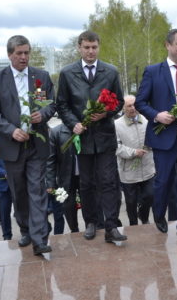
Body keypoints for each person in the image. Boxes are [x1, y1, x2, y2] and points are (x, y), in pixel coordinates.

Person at [0, 35, 56, 256]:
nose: (24, 57)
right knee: (19, 191)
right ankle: (26, 228)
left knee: (37, 189)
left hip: (37, 143)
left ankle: (40, 238)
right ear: (10, 55)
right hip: (11, 145)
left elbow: (50, 103)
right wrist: (10, 130)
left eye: (27, 53)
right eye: (19, 53)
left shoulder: (41, 76)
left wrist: (41, 115)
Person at [56, 30, 126, 244]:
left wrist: (106, 113)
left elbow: (120, 102)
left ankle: (112, 225)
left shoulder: (111, 71)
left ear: (98, 47)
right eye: (86, 47)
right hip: (82, 138)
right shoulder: (67, 73)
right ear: (79, 47)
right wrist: (73, 124)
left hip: (104, 136)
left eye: (94, 47)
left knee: (108, 182)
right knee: (86, 183)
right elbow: (62, 104)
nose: (90, 51)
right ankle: (91, 222)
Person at [135, 28, 177, 247]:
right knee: (163, 182)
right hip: (164, 138)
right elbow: (140, 102)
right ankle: (158, 213)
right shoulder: (153, 71)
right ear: (168, 45)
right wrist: (156, 115)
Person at [115, 95, 155, 225]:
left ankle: (143, 217)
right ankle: (133, 224)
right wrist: (133, 152)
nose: (133, 108)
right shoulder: (116, 124)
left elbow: (155, 137)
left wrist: (152, 144)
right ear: (123, 108)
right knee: (131, 202)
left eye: (134, 105)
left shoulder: (147, 119)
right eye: (129, 106)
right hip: (128, 171)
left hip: (148, 167)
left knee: (150, 195)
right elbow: (116, 147)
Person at [46, 124, 81, 233]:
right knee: (68, 207)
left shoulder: (85, 127)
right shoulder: (56, 132)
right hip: (64, 177)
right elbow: (51, 160)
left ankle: (91, 225)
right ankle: (74, 229)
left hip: (85, 175)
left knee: (90, 203)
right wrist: (50, 183)